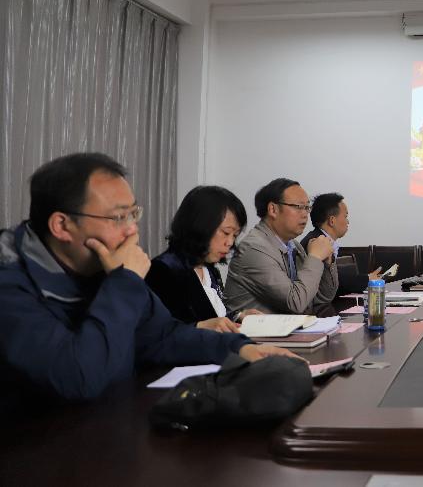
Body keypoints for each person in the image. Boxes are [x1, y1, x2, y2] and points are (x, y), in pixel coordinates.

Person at [0, 153, 297, 412]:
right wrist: (125, 281)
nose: (132, 230)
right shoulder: (10, 283)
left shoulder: (103, 267)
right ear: (62, 225)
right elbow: (77, 377)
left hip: (113, 424)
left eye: (133, 214)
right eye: (118, 218)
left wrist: (238, 347)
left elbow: (163, 336)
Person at [147, 185, 261, 331]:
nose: (230, 242)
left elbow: (213, 315)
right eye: (226, 233)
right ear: (199, 226)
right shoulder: (163, 270)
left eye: (235, 235)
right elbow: (158, 331)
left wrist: (237, 316)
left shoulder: (209, 269)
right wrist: (199, 327)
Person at [224, 178, 338, 315]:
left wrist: (326, 264)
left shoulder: (294, 246)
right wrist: (315, 257)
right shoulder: (254, 248)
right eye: (298, 207)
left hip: (288, 328)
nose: (305, 214)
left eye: (307, 207)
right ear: (273, 209)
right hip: (254, 329)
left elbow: (321, 298)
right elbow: (296, 302)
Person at [300, 192, 380, 295]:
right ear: (332, 221)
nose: (348, 222)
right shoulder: (316, 242)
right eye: (345, 216)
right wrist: (368, 279)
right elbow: (334, 283)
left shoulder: (321, 238)